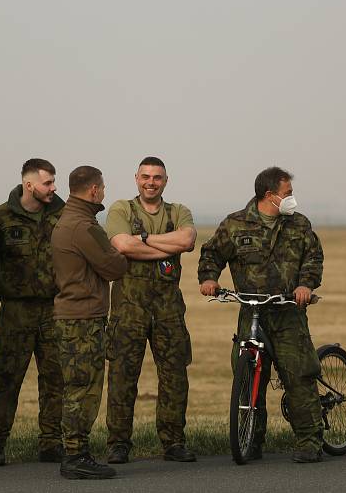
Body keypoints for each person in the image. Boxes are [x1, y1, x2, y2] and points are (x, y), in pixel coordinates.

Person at [198, 167, 325, 463]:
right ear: (270, 195)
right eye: (288, 193)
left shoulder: (299, 224)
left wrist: (306, 284)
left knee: (299, 377)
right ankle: (250, 441)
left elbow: (314, 256)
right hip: (251, 312)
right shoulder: (235, 224)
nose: (291, 199)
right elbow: (211, 253)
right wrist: (209, 278)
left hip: (288, 313)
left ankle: (309, 441)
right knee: (248, 381)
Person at [104, 157, 197, 464]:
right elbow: (122, 246)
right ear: (136, 178)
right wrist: (164, 247)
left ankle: (173, 442)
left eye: (157, 177)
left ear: (166, 181)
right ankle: (118, 443)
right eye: (145, 176)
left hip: (169, 309)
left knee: (174, 376)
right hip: (128, 308)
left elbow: (187, 240)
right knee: (122, 376)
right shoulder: (121, 209)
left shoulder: (178, 211)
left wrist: (143, 239)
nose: (151, 182)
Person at [0, 159, 65, 466]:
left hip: (54, 310)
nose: (54, 188)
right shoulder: (0, 219)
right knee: (7, 378)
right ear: (29, 185)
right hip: (16, 311)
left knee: (55, 378)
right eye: (48, 183)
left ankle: (52, 442)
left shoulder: (64, 216)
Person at [51, 166, 128, 479]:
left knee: (76, 386)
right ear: (94, 190)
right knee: (84, 388)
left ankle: (74, 451)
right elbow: (114, 266)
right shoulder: (84, 226)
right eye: (103, 187)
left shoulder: (67, 220)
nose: (104, 192)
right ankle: (75, 455)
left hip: (73, 315)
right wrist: (119, 254)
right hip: (83, 318)